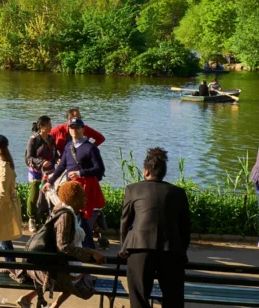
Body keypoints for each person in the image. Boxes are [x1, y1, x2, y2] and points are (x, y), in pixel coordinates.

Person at [15, 182, 106, 308]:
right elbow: (63, 246)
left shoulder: (61, 209)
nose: (86, 199)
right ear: (73, 200)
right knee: (82, 279)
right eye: (82, 197)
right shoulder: (66, 216)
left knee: (77, 274)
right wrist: (91, 252)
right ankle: (54, 306)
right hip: (55, 271)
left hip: (52, 267)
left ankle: (28, 298)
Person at [119, 148, 191, 308]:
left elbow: (125, 222)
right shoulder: (178, 192)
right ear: (163, 173)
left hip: (139, 248)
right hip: (171, 250)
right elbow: (185, 227)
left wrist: (124, 247)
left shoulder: (133, 189)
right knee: (173, 298)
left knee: (139, 297)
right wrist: (182, 251)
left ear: (146, 171)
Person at [47, 117, 106, 249]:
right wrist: (49, 182)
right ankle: (82, 248)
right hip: (71, 189)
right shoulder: (68, 146)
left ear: (83, 129)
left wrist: (80, 173)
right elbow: (62, 166)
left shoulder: (90, 148)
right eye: (71, 128)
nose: (74, 130)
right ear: (69, 130)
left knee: (81, 219)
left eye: (77, 128)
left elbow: (100, 169)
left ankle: (86, 249)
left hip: (85, 188)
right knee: (75, 218)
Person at [25, 116, 58, 232]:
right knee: (34, 196)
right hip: (36, 173)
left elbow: (55, 154)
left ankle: (47, 218)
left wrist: (57, 159)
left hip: (49, 173)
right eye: (49, 125)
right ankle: (32, 218)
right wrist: (42, 162)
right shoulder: (33, 140)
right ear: (42, 127)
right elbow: (29, 158)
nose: (51, 127)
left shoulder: (51, 138)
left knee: (50, 195)